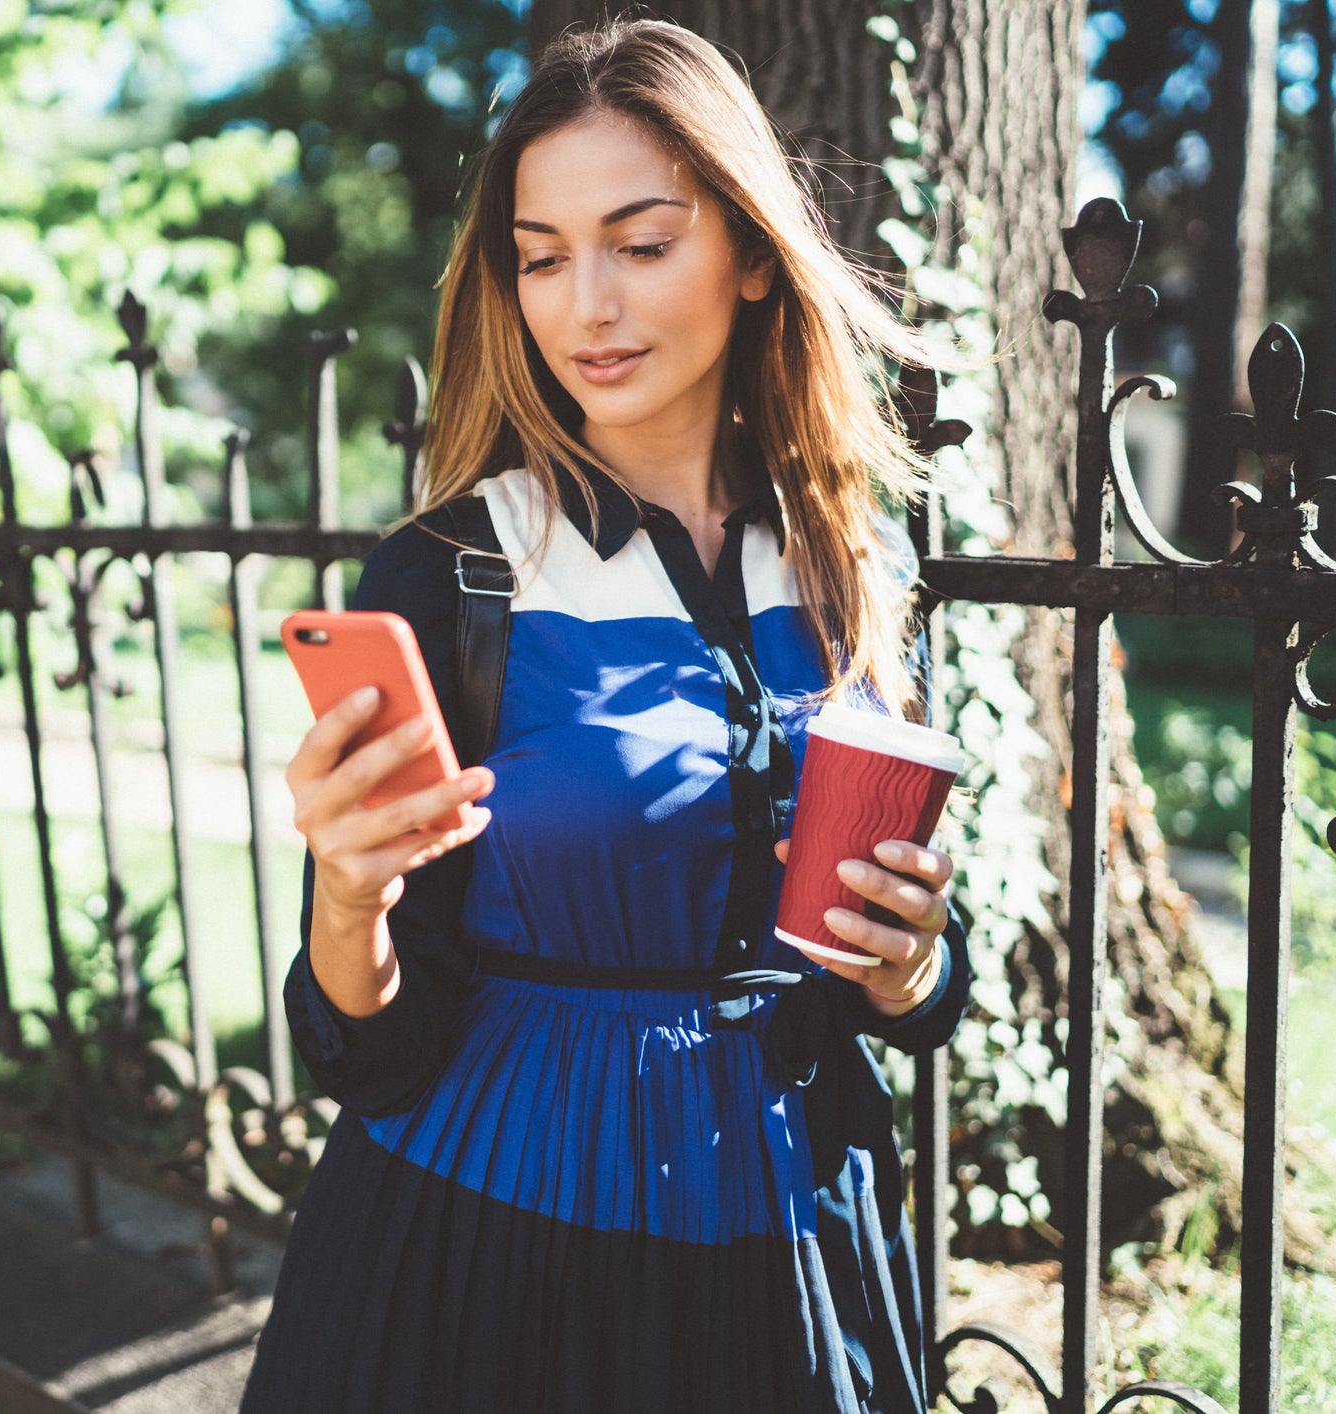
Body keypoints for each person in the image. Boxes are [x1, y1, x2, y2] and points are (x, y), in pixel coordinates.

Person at [239, 17, 974, 1414]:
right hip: (493, 1239)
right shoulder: (455, 575)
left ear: (754, 254)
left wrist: (912, 965)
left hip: (788, 1224)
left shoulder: (855, 565)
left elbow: (917, 986)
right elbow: (369, 1045)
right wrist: (347, 899)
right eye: (543, 255)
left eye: (642, 244)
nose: (588, 306)